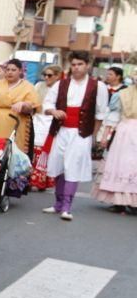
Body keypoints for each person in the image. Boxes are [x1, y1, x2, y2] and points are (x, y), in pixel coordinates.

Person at [42, 51, 108, 221]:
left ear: (87, 66)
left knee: (73, 166)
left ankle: (66, 206)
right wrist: (54, 111)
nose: (76, 68)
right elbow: (47, 103)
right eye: (74, 64)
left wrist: (92, 136)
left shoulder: (98, 86)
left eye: (80, 64)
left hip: (81, 133)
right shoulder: (61, 84)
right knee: (58, 165)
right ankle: (57, 203)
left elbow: (100, 114)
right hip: (61, 130)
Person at [93, 83, 137, 212]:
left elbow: (113, 117)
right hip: (125, 133)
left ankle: (129, 201)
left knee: (126, 165)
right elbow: (114, 117)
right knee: (123, 164)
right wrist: (105, 137)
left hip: (125, 131)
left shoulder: (122, 94)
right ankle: (121, 201)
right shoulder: (123, 94)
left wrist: (105, 137)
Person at [0, 58, 40, 156]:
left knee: (12, 154)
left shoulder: (28, 87)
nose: (10, 72)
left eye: (13, 70)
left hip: (16, 125)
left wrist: (23, 104)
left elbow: (32, 106)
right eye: (8, 70)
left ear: (20, 71)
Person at [30, 64, 61, 191]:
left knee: (45, 150)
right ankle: (30, 179)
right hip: (37, 118)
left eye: (50, 75)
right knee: (33, 148)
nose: (46, 78)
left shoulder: (61, 88)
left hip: (51, 121)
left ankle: (42, 181)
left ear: (57, 76)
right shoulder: (38, 86)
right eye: (44, 75)